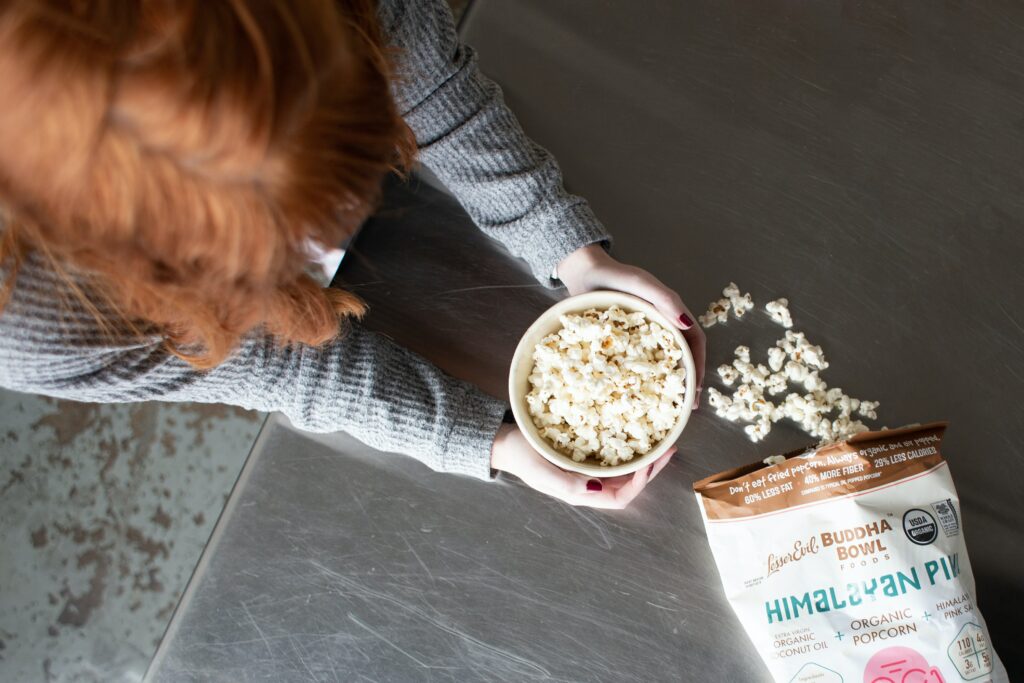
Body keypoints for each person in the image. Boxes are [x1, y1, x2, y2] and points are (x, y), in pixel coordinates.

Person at [0, 0, 705, 508]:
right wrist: (491, 442)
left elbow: (430, 86)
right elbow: (262, 359)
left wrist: (575, 254)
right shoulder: (27, 325)